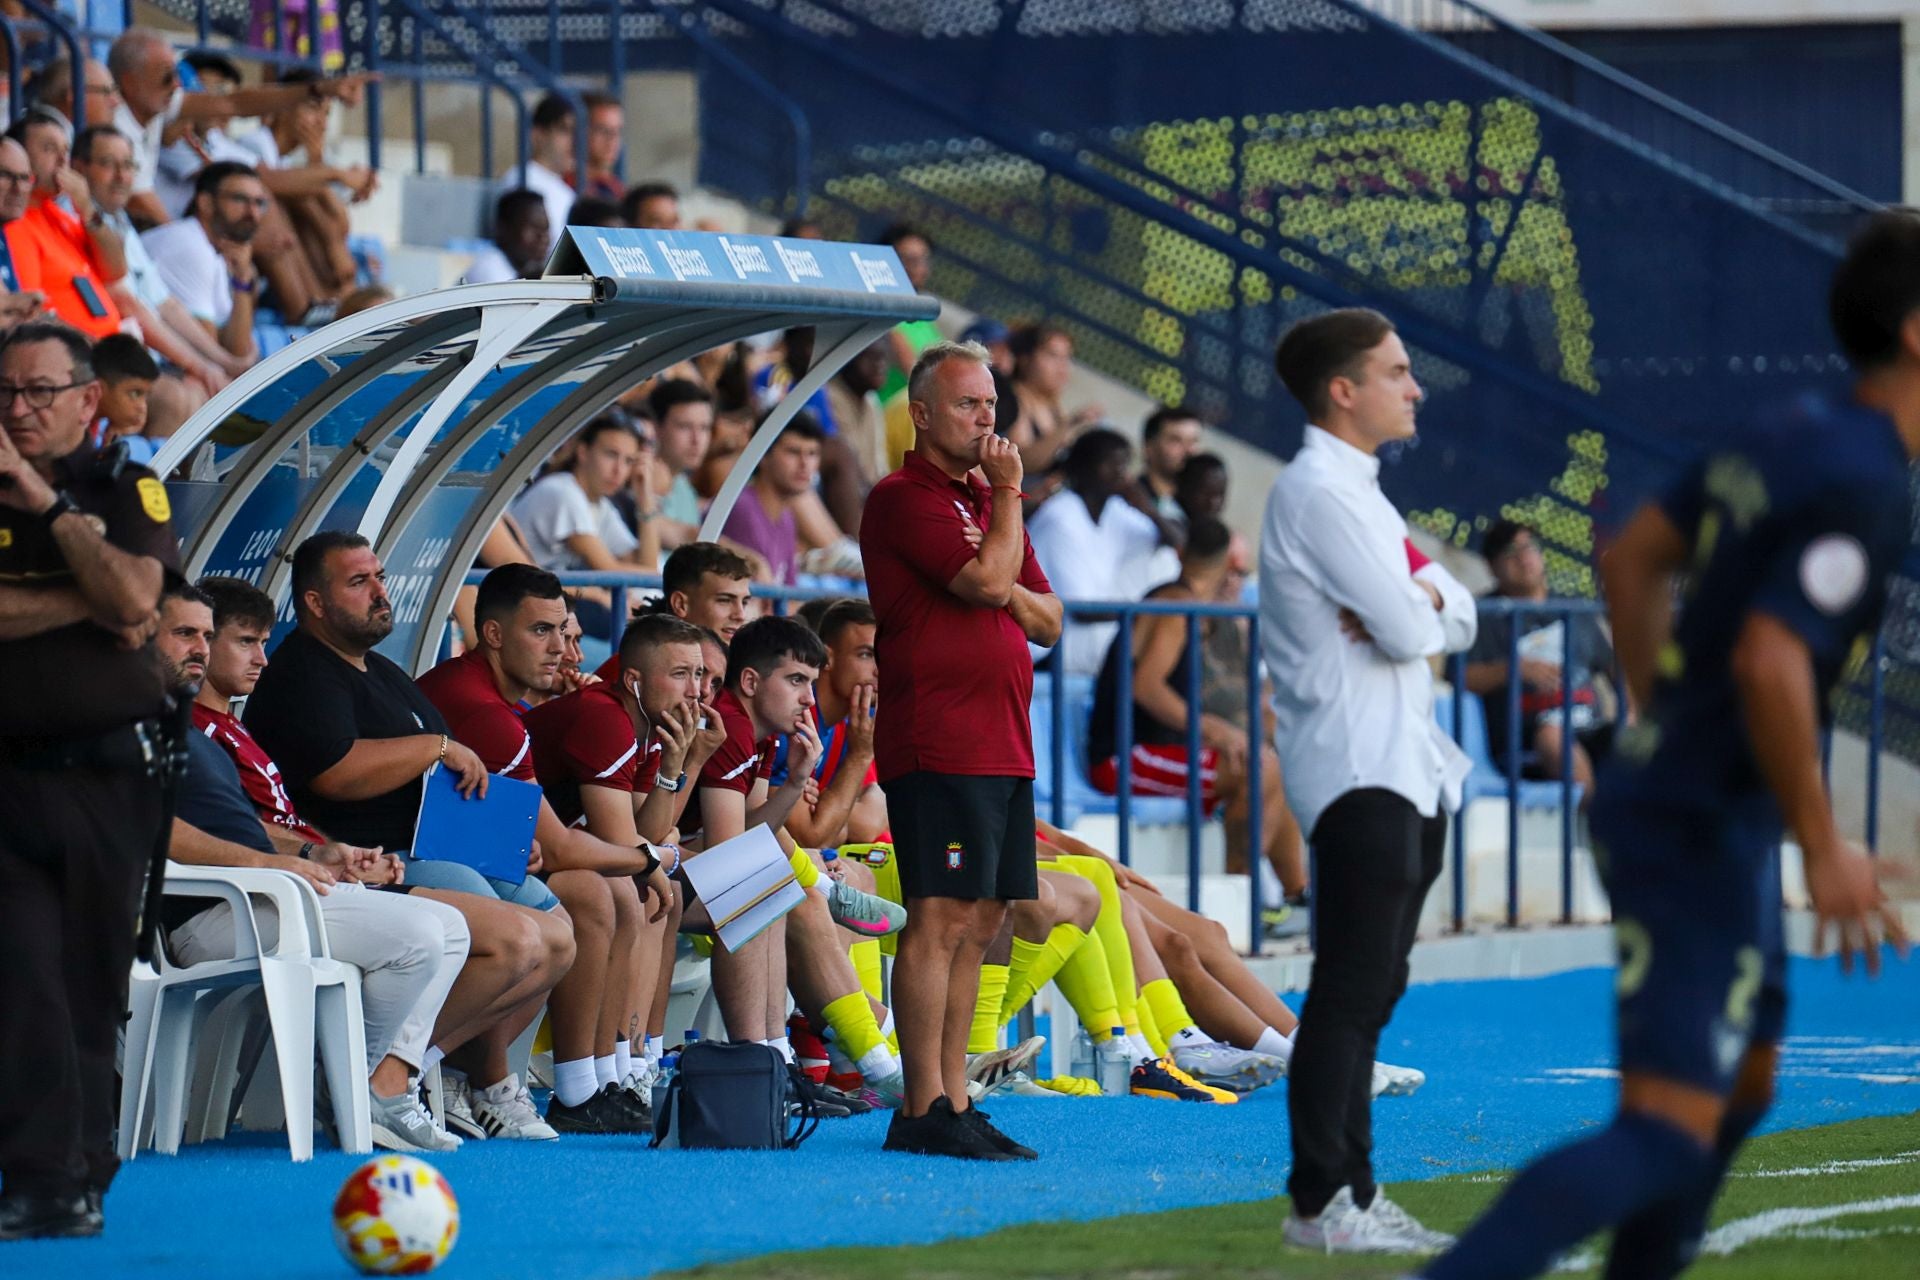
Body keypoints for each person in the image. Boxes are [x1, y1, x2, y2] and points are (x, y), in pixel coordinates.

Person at [1423, 213, 1920, 1279]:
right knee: (1667, 1125)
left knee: (1746, 1082)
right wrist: (1822, 843)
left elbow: (1633, 555)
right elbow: (1771, 659)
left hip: (1703, 803)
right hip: (1695, 820)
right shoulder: (1866, 478)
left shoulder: (1795, 427)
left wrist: (1660, 721)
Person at [188, 572, 566, 1148]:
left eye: (263, 641)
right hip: (245, 901)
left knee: (542, 931)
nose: (262, 657)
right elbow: (226, 829)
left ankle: (393, 1080)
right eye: (244, 641)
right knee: (482, 934)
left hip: (303, 882)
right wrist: (312, 856)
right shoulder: (192, 727)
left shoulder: (236, 725)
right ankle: (373, 1085)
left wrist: (332, 854)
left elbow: (271, 826)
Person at [1261, 308, 1477, 1254]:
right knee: (1349, 990)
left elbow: (1453, 608)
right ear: (1343, 391)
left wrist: (1418, 597)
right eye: (1396, 372)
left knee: (1376, 988)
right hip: (1357, 772)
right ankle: (1321, 1203)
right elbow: (1406, 630)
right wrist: (1416, 607)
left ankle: (1351, 1187)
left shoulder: (1363, 495)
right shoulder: (1317, 493)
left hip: (1406, 768)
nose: (1414, 388)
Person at [151, 583, 475, 1154]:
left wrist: (314, 854)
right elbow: (155, 829)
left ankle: (372, 1086)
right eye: (185, 635)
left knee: (450, 927)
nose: (199, 648)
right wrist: (272, 863)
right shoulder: (141, 723)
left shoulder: (192, 722)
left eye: (205, 635)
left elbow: (241, 826)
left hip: (264, 892)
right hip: (214, 910)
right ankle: (354, 1089)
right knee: (420, 937)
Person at [861, 339, 1063, 1159]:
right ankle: (921, 1107)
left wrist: (999, 552)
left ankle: (954, 1095)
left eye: (991, 405)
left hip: (1003, 740)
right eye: (968, 404)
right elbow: (985, 585)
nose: (987, 420)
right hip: (938, 739)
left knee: (983, 918)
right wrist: (1007, 508)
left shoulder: (986, 501)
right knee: (940, 915)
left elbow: (1049, 621)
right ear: (921, 413)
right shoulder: (902, 498)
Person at [0, 321, 177, 1239]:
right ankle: (41, 1180)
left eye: (39, 392)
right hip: (8, 778)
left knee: (89, 979)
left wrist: (42, 499)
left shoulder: (124, 485)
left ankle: (83, 1171)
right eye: (5, 393)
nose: (18, 410)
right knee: (20, 977)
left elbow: (140, 600)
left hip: (110, 777)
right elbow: (118, 600)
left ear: (87, 399)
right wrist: (87, 598)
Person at [417, 564, 670, 1135]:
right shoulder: (488, 713)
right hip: (394, 861)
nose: (560, 648)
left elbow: (543, 841)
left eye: (563, 631)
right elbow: (560, 847)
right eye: (541, 631)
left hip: (449, 852)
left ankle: (582, 1076)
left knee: (604, 895)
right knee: (589, 898)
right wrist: (650, 860)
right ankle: (449, 1071)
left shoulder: (498, 701)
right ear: (493, 634)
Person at [1088, 515, 1307, 910]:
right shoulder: (1175, 607)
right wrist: (1214, 729)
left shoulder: (1186, 602)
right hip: (1126, 755)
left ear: (1181, 553)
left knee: (1272, 765)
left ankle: (1296, 897)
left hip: (1158, 749)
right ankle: (1241, 903)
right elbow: (1146, 687)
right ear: (1227, 565)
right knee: (1259, 768)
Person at [106, 27, 369, 229]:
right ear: (131, 82)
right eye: (167, 77)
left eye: (177, 75)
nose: (176, 85)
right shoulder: (117, 130)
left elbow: (232, 103)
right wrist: (202, 249)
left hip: (162, 232)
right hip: (142, 236)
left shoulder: (156, 103)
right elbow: (144, 205)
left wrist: (318, 89)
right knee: (256, 205)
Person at [74, 124, 241, 423]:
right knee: (180, 398)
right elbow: (129, 304)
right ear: (79, 168)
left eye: (128, 166)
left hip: (145, 356)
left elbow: (166, 305)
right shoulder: (76, 220)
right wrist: (200, 365)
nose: (121, 176)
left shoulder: (119, 220)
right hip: (108, 357)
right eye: (108, 164)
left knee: (204, 390)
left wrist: (221, 361)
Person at [1464, 518, 1618, 793]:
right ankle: (1594, 819)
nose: (1524, 557)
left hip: (1589, 727)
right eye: (1510, 551)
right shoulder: (1482, 614)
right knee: (1552, 737)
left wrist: (1631, 712)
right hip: (1525, 743)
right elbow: (1459, 677)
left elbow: (1613, 667)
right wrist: (1513, 670)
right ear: (1491, 566)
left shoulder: (1574, 608)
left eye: (1530, 547)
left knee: (1638, 741)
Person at [1026, 426, 1183, 675]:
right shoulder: (1061, 515)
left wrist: (1149, 509)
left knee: (1161, 558)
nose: (1122, 473)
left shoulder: (1114, 510)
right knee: (1147, 653)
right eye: (1112, 464)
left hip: (1084, 639)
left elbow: (1174, 540)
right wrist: (1145, 615)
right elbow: (1082, 611)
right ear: (1085, 467)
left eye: (1125, 464)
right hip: (1046, 648)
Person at [509, 412, 661, 638]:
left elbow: (645, 567)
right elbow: (608, 569)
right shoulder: (562, 491)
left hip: (555, 600)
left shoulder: (601, 505)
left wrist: (645, 500)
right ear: (582, 451)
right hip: (524, 603)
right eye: (611, 454)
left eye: (629, 461)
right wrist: (605, 596)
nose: (619, 469)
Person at [2, 113, 124, 343]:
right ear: (20, 157)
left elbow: (115, 270)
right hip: (75, 354)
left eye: (65, 151)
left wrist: (87, 208)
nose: (62, 160)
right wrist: (95, 349)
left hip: (106, 344)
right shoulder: (15, 224)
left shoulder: (60, 214)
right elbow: (31, 314)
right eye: (49, 149)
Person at [140, 162, 265, 367]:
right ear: (206, 203)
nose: (252, 212)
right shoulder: (190, 247)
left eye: (259, 203)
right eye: (239, 199)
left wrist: (242, 280)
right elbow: (213, 356)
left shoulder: (218, 250)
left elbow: (236, 347)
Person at [719, 414, 825, 586]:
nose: (805, 464)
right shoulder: (741, 509)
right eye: (793, 452)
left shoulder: (787, 518)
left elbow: (789, 592)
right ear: (762, 454)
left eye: (812, 453)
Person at [1007, 323, 1102, 475]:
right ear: (1025, 359)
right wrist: (1069, 424)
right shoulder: (1013, 399)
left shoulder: (1052, 404)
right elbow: (1020, 461)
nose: (1062, 366)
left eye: (1067, 357)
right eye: (1052, 356)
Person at [637, 377, 712, 548]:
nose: (697, 440)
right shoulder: (637, 478)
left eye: (704, 428)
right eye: (684, 426)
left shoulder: (685, 489)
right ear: (656, 428)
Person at [501, 92, 575, 254]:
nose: (573, 141)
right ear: (538, 134)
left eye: (577, 133)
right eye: (564, 130)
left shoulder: (566, 191)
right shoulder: (521, 178)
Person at [88, 334, 158, 462]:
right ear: (99, 389)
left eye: (146, 396)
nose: (142, 407)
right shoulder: (70, 426)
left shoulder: (97, 426)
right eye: (135, 394)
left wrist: (110, 441)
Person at [463, 188, 550, 285]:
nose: (543, 237)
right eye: (534, 228)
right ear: (503, 229)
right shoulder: (488, 270)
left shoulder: (524, 269)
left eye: (546, 229)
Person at [1139, 405, 1204, 519]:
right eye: (1176, 440)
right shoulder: (1129, 498)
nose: (1189, 451)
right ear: (1149, 447)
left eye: (1194, 441)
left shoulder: (1197, 509)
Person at [577, 91, 624, 204]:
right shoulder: (565, 186)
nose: (612, 139)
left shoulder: (617, 189)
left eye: (618, 131)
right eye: (602, 130)